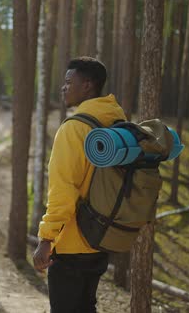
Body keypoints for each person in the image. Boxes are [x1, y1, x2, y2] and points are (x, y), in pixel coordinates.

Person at [33, 56, 126, 313]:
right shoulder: (116, 121)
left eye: (68, 81)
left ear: (87, 86)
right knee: (86, 307)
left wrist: (46, 238)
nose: (63, 87)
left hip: (73, 241)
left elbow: (63, 190)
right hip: (101, 237)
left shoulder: (74, 129)